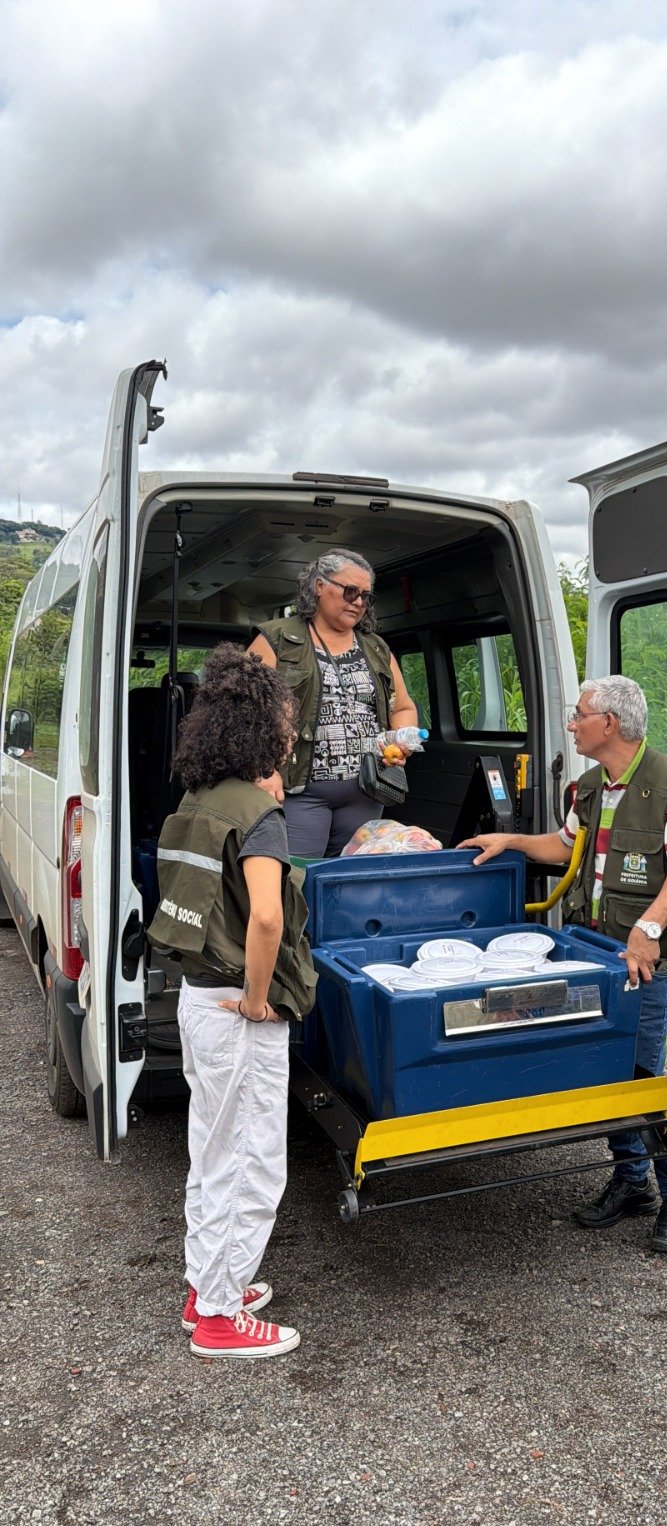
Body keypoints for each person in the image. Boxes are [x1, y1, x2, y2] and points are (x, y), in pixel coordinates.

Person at [460, 675, 667, 1253]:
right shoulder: (591, 785)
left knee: (640, 1078)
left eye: (579, 715)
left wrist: (648, 929)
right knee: (603, 1070)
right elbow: (564, 845)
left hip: (642, 964)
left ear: (609, 724)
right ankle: (632, 1182)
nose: (570, 724)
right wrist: (510, 842)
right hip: (594, 956)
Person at [148, 644, 317, 1360]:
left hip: (196, 999)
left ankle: (206, 1288)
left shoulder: (197, 801)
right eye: (287, 723)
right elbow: (267, 919)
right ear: (261, 730)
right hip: (235, 1010)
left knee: (213, 1154)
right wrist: (255, 1000)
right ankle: (218, 1317)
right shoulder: (260, 813)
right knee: (251, 1161)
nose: (292, 735)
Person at [247, 549, 417, 858]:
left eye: (366, 596)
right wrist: (262, 771)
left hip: (365, 793)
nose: (359, 602)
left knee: (348, 879)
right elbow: (239, 713)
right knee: (297, 878)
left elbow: (403, 708)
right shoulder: (276, 639)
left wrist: (400, 742)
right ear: (319, 586)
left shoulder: (376, 648)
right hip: (297, 794)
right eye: (351, 591)